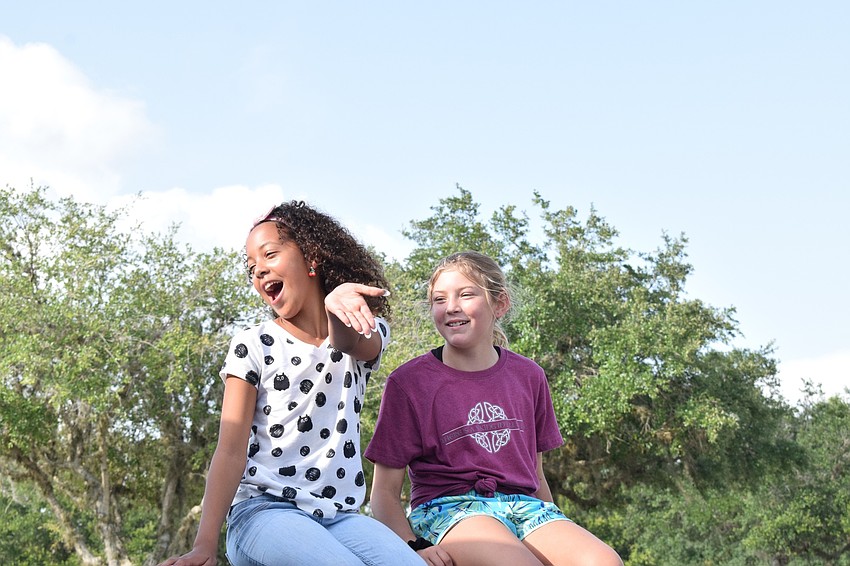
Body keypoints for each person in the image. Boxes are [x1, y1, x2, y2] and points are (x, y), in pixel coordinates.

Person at [159, 201, 425, 566]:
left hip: (340, 517)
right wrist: (205, 545)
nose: (259, 270)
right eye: (252, 268)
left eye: (270, 254)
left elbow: (348, 343)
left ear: (311, 257)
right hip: (264, 513)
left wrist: (336, 305)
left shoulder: (364, 329)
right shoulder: (253, 345)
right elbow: (230, 451)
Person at [365, 251, 623, 566]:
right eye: (439, 299)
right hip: (449, 510)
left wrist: (555, 529)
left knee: (604, 562)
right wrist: (414, 545)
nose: (451, 307)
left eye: (466, 294)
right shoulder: (408, 383)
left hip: (525, 508)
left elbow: (535, 475)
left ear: (499, 304)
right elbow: (384, 495)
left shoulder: (529, 376)